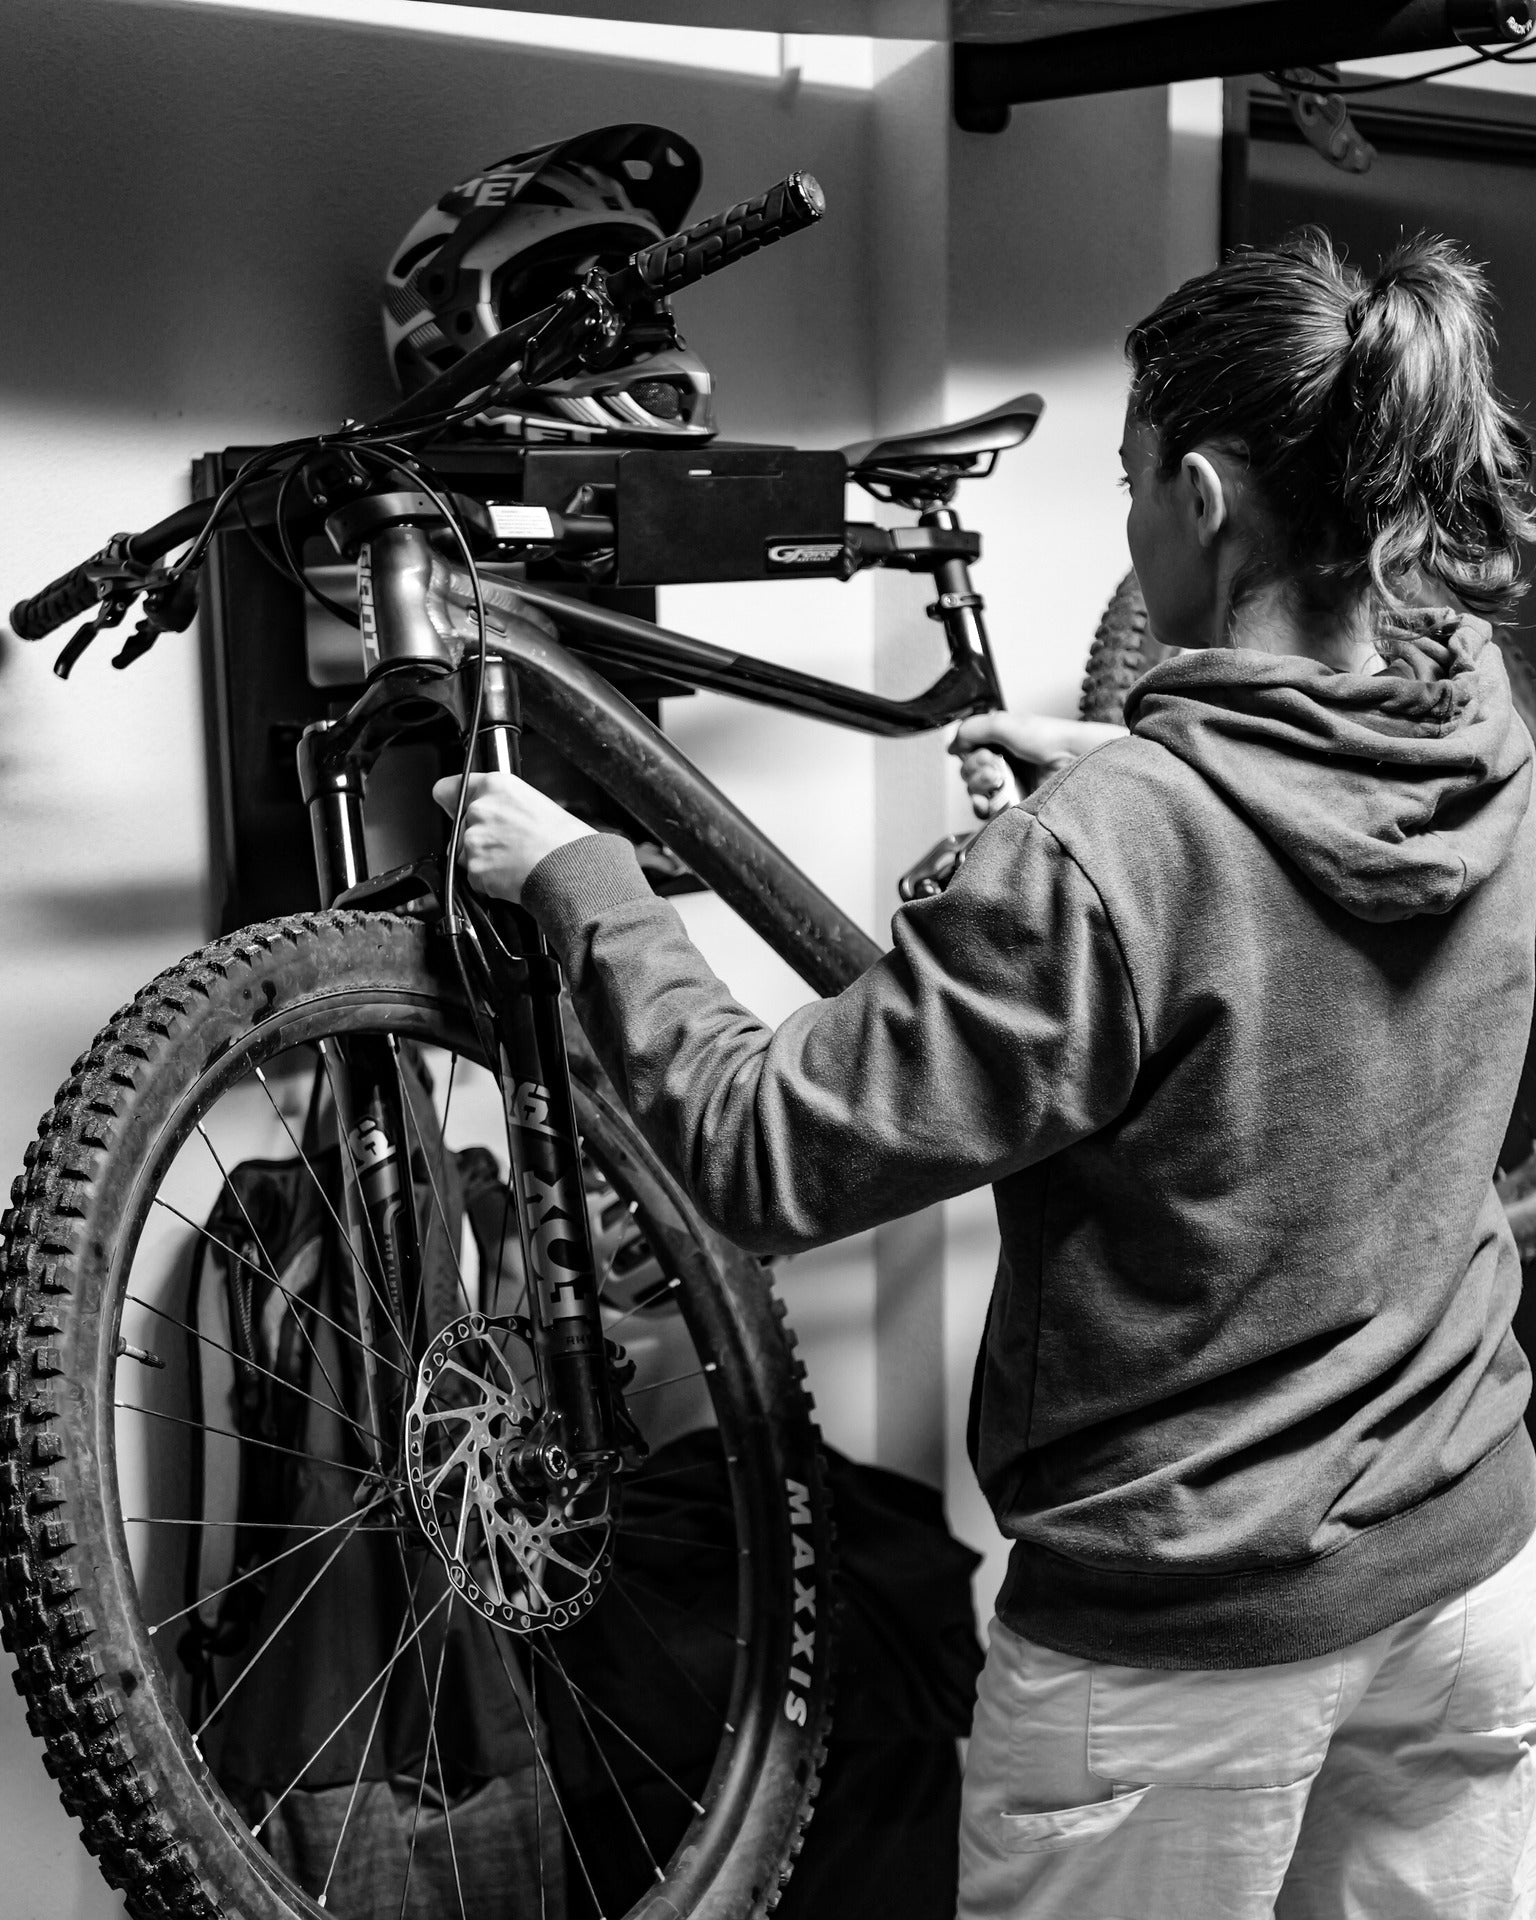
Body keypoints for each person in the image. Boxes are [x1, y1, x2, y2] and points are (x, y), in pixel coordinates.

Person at [434, 230, 1536, 1919]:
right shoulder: (1476, 732)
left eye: (1129, 484)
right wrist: (1136, 772)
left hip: (1183, 1653)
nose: (1128, 521)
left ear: (1204, 495)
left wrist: (575, 875)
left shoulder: (1115, 853)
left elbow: (759, 1148)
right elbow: (1290, 859)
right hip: (1468, 1579)